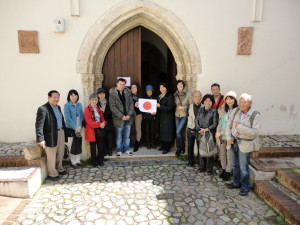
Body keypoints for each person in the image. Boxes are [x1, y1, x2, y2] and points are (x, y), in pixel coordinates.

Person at [225, 93, 261, 196]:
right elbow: (228, 125)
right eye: (240, 101)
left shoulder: (255, 114)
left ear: (250, 103)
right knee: (234, 164)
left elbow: (254, 132)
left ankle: (245, 186)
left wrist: (240, 127)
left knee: (243, 167)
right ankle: (236, 183)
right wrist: (228, 137)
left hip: (245, 143)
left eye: (245, 102)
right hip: (233, 141)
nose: (242, 104)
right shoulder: (236, 111)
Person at [35, 90, 68, 181]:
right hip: (50, 135)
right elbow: (39, 125)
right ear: (49, 98)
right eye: (54, 97)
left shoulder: (58, 107)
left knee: (60, 152)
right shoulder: (43, 109)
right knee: (51, 155)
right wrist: (40, 139)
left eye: (58, 97)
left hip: (61, 132)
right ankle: (52, 173)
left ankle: (59, 168)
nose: (56, 99)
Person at [215, 91, 238, 181]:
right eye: (227, 99)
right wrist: (218, 133)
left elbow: (232, 127)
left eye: (231, 99)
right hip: (221, 136)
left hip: (229, 136)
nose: (229, 101)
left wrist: (221, 133)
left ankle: (228, 172)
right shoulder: (223, 110)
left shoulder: (236, 111)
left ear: (235, 100)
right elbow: (220, 122)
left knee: (229, 155)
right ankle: (224, 169)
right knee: (222, 154)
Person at [109, 78, 134, 157]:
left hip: (128, 118)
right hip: (119, 119)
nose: (122, 86)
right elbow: (113, 107)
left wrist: (129, 115)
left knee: (127, 136)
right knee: (119, 137)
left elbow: (131, 104)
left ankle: (126, 149)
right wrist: (121, 116)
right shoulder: (112, 94)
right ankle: (119, 150)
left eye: (123, 85)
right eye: (120, 84)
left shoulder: (128, 93)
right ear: (117, 84)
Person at [195, 94, 218, 175]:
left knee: (209, 150)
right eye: (206, 101)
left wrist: (206, 130)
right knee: (201, 150)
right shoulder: (201, 109)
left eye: (209, 101)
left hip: (209, 133)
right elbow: (196, 120)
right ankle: (202, 167)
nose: (207, 103)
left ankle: (209, 169)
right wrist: (199, 129)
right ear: (203, 102)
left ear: (212, 102)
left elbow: (215, 124)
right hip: (200, 133)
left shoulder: (214, 111)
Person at [84, 93, 107, 167]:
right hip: (91, 130)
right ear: (90, 100)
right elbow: (89, 121)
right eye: (93, 99)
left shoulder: (98, 108)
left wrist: (104, 123)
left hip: (99, 130)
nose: (94, 101)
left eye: (96, 99)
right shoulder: (87, 109)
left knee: (100, 146)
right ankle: (94, 161)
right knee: (93, 147)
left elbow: (102, 118)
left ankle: (100, 160)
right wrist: (99, 124)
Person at [64, 89, 84, 169]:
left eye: (75, 95)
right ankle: (73, 161)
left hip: (79, 127)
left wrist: (80, 126)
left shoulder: (79, 104)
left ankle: (78, 160)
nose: (74, 97)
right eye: (72, 95)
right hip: (71, 128)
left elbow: (82, 116)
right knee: (73, 144)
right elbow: (68, 118)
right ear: (69, 96)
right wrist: (75, 127)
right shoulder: (67, 105)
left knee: (78, 143)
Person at [174, 80, 192, 156]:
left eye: (181, 84)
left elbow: (191, 105)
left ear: (183, 85)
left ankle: (182, 147)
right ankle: (179, 148)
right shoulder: (175, 94)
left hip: (184, 115)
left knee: (178, 132)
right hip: (177, 115)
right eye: (178, 84)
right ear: (177, 86)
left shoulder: (188, 94)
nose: (180, 86)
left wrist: (183, 107)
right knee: (178, 133)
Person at [157, 82, 175, 154]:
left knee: (167, 132)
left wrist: (160, 106)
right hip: (161, 116)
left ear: (166, 88)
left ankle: (167, 148)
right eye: (161, 87)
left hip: (168, 117)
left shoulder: (169, 96)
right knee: (162, 131)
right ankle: (163, 146)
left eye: (163, 87)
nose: (162, 89)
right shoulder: (160, 96)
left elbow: (170, 107)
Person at [186, 91, 202, 167]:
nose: (197, 98)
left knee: (200, 147)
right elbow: (187, 116)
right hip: (191, 129)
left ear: (201, 97)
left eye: (199, 96)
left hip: (200, 130)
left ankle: (200, 162)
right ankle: (190, 162)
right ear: (193, 98)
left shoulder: (203, 107)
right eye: (195, 96)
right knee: (190, 146)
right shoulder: (190, 107)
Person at [97, 88, 114, 156]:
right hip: (101, 123)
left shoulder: (109, 101)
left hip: (109, 122)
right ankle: (104, 151)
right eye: (100, 94)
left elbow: (112, 112)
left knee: (109, 137)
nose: (102, 95)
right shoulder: (96, 103)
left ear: (105, 94)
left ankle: (110, 151)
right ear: (98, 95)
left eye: (103, 93)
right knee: (102, 138)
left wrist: (104, 111)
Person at [143, 85, 157, 149]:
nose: (149, 92)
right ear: (146, 91)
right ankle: (148, 143)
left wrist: (156, 112)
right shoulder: (143, 98)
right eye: (148, 91)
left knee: (153, 131)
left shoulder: (155, 98)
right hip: (146, 117)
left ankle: (153, 143)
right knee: (147, 131)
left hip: (153, 117)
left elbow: (157, 107)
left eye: (150, 91)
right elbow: (142, 108)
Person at [131, 84, 142, 152]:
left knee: (138, 129)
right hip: (130, 114)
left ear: (137, 89)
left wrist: (139, 103)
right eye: (132, 87)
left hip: (138, 114)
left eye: (135, 87)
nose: (133, 88)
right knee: (130, 129)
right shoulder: (128, 95)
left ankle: (137, 144)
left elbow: (145, 105)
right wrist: (133, 104)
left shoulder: (140, 96)